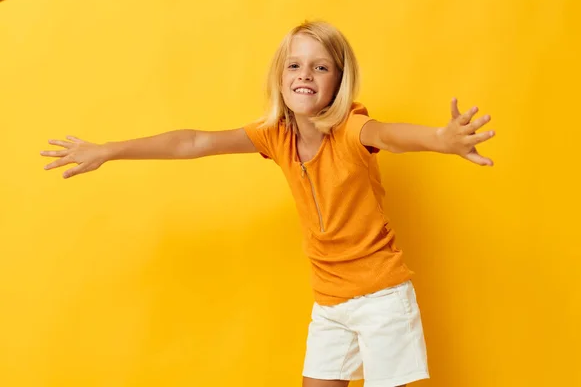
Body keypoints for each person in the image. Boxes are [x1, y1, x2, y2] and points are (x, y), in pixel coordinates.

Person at [41, 20, 495, 387]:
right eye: (295, 65)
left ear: (340, 81)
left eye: (321, 68)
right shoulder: (276, 135)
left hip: (382, 299)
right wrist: (107, 150)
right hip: (330, 302)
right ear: (280, 77)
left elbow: (391, 135)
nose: (305, 75)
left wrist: (441, 139)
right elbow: (193, 142)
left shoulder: (353, 130)